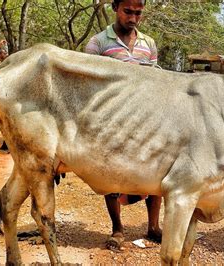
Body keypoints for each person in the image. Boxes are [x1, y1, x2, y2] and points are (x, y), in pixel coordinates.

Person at [85, 0, 162, 251]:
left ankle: (153, 227)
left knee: (156, 172)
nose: (133, 18)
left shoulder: (148, 44)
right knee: (111, 176)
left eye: (138, 13)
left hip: (146, 121)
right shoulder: (98, 43)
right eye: (128, 12)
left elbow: (154, 81)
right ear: (115, 8)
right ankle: (117, 229)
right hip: (111, 123)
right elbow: (88, 84)